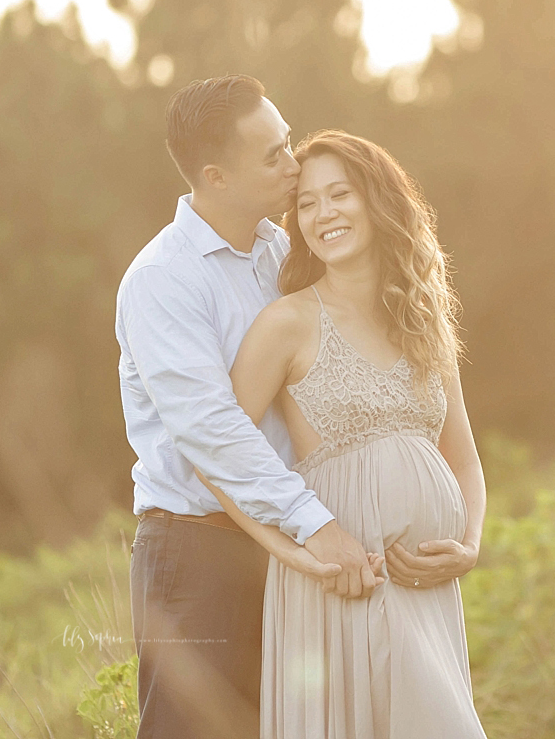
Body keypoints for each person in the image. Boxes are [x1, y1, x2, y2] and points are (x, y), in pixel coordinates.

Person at [195, 129, 490, 738]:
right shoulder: (287, 322)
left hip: (426, 592)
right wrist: (295, 553)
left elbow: (463, 458)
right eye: (306, 202)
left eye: (340, 194)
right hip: (344, 584)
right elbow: (214, 457)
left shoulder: (424, 320)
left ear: (378, 202)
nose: (323, 213)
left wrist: (470, 544)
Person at [116, 77, 383, 739]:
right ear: (217, 176)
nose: (294, 164)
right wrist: (315, 523)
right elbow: (212, 429)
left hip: (287, 549)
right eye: (273, 155)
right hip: (197, 551)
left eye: (287, 142)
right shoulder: (162, 280)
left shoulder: (286, 252)